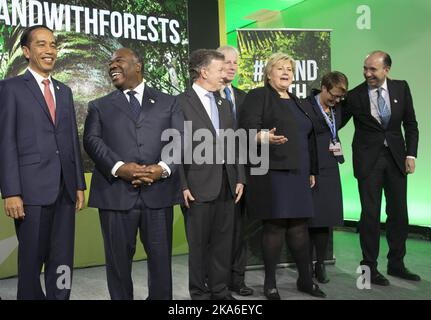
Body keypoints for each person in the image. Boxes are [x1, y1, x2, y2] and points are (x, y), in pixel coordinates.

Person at [83, 48, 183, 300]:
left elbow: (181, 140)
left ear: (137, 66)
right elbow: (92, 141)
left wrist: (162, 168)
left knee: (161, 262)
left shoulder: (169, 101)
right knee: (117, 264)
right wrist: (119, 168)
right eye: (110, 63)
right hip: (115, 195)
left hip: (158, 194)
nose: (112, 65)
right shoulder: (99, 106)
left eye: (118, 61)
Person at [0, 25, 86, 300]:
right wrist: (11, 191)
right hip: (30, 192)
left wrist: (78, 184)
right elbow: (6, 142)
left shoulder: (64, 91)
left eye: (52, 44)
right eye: (41, 44)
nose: (50, 50)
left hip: (64, 190)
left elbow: (72, 139)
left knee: (62, 259)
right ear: (26, 51)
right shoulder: (10, 88)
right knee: (31, 261)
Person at [239, 52, 325, 299]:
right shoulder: (259, 96)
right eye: (280, 68)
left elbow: (308, 138)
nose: (286, 72)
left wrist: (311, 170)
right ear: (268, 73)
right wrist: (264, 137)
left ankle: (305, 280)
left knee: (299, 227)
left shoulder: (298, 100)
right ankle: (270, 283)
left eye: (289, 68)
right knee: (275, 227)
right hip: (271, 172)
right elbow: (246, 131)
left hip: (298, 173)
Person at [341, 50, 420, 286]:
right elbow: (335, 123)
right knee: (370, 215)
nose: (367, 73)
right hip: (369, 162)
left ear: (386, 69)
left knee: (398, 213)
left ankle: (396, 264)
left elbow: (411, 124)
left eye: (372, 69)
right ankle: (369, 268)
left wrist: (411, 154)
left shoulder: (401, 88)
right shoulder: (354, 95)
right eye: (365, 68)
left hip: (396, 159)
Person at [178, 49, 245, 300]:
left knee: (222, 242)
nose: (225, 73)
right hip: (196, 186)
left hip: (227, 184)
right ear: (204, 72)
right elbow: (174, 147)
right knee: (198, 245)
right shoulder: (179, 102)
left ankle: (220, 290)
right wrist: (181, 185)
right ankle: (199, 293)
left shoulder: (224, 102)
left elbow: (234, 142)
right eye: (220, 69)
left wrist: (240, 177)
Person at [301, 71, 348, 283]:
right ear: (324, 87)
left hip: (330, 166)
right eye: (333, 95)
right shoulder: (305, 106)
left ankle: (320, 264)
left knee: (324, 220)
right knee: (308, 219)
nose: (336, 100)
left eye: (340, 97)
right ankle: (305, 266)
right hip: (310, 167)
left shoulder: (338, 108)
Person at [216, 45, 253, 296]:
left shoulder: (244, 97)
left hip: (244, 172)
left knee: (241, 229)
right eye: (226, 62)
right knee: (218, 232)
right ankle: (215, 280)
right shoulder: (203, 96)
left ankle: (237, 279)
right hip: (214, 174)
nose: (232, 67)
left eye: (235, 63)